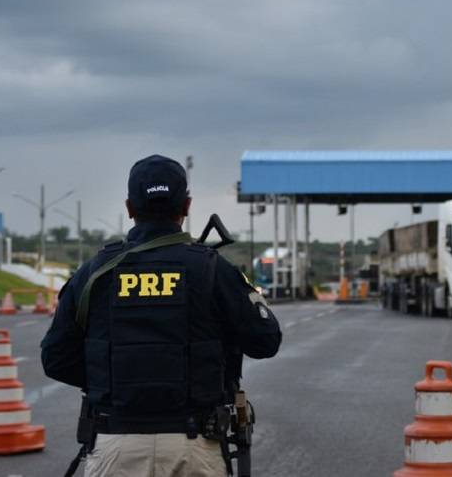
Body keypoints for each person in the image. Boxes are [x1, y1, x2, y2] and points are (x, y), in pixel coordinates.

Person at [41, 154, 282, 477]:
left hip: (115, 445)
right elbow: (265, 341)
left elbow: (56, 358)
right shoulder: (211, 268)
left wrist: (113, 378)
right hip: (195, 444)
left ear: (129, 207)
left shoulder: (94, 273)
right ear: (187, 205)